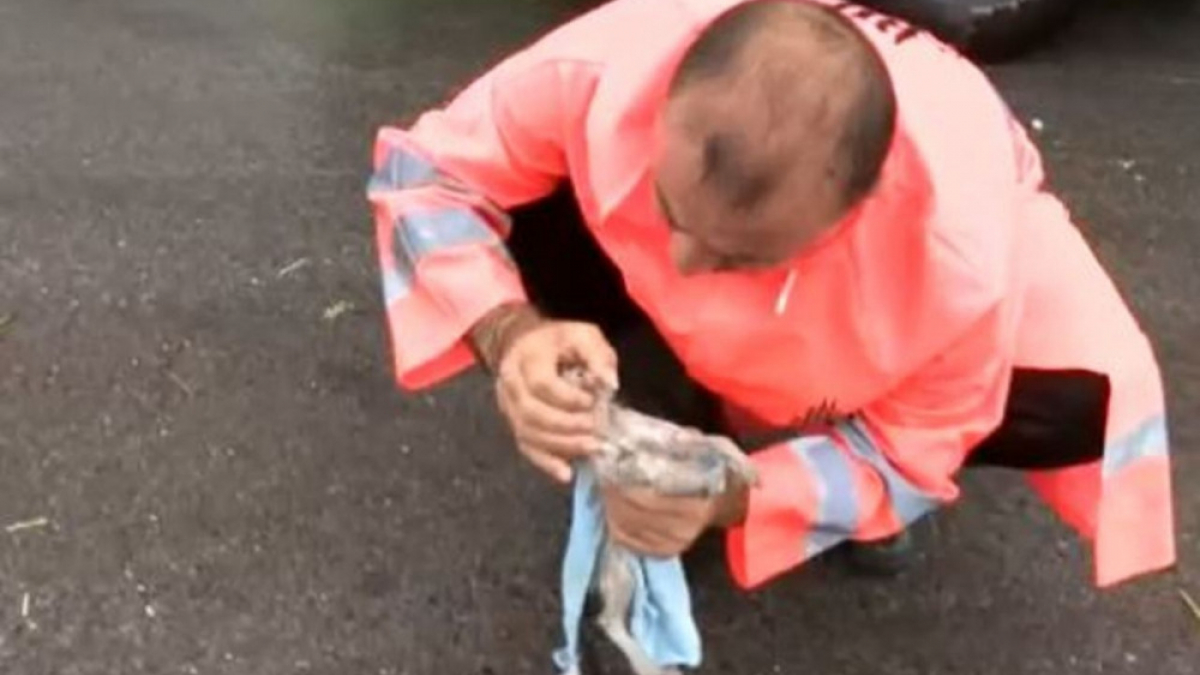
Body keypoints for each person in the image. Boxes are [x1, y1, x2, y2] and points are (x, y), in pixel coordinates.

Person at [365, 0, 1176, 591]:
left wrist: (738, 495)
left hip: (926, 281)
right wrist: (512, 335)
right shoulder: (601, 62)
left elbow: (914, 450)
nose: (681, 266)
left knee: (1079, 397)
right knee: (530, 217)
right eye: (669, 210)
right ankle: (672, 399)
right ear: (664, 94)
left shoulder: (958, 258)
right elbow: (427, 174)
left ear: (859, 213)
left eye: (737, 255)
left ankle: (802, 446)